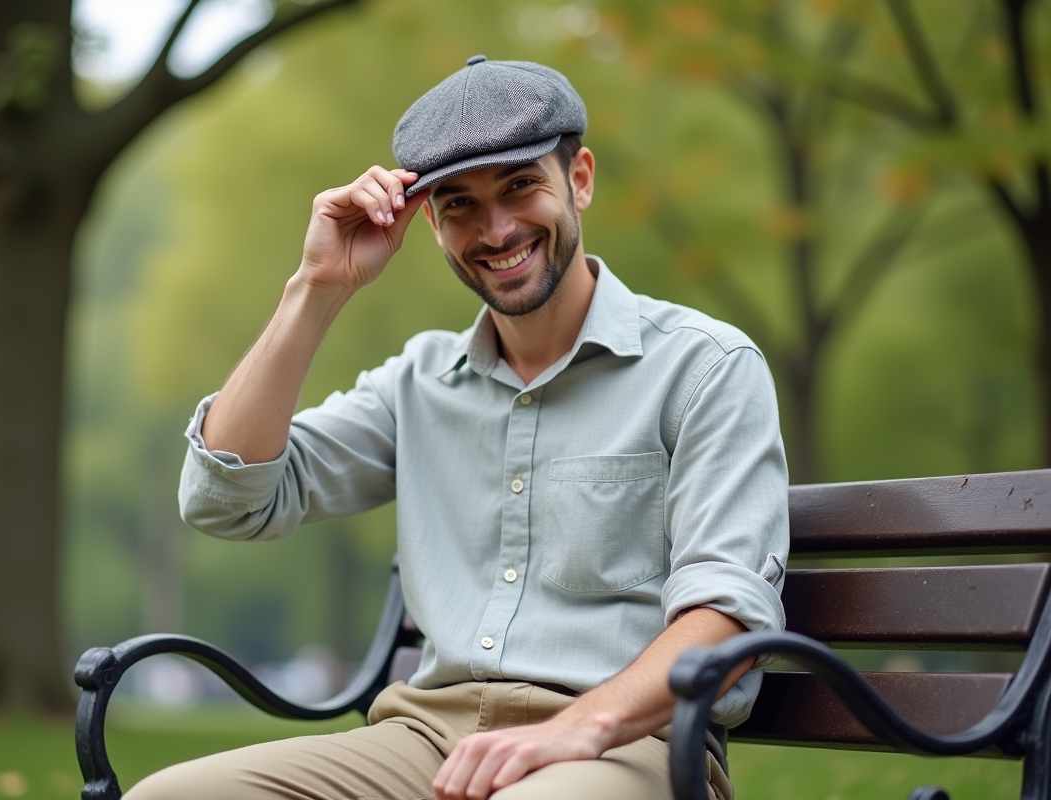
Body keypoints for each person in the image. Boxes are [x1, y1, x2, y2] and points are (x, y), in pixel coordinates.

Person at [130, 56, 788, 800]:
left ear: (579, 180)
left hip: (623, 748)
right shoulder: (417, 383)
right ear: (431, 223)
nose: (497, 228)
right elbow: (226, 500)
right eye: (460, 205)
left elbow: (728, 615)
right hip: (421, 743)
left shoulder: (706, 369)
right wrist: (317, 287)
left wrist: (582, 725)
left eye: (520, 186)